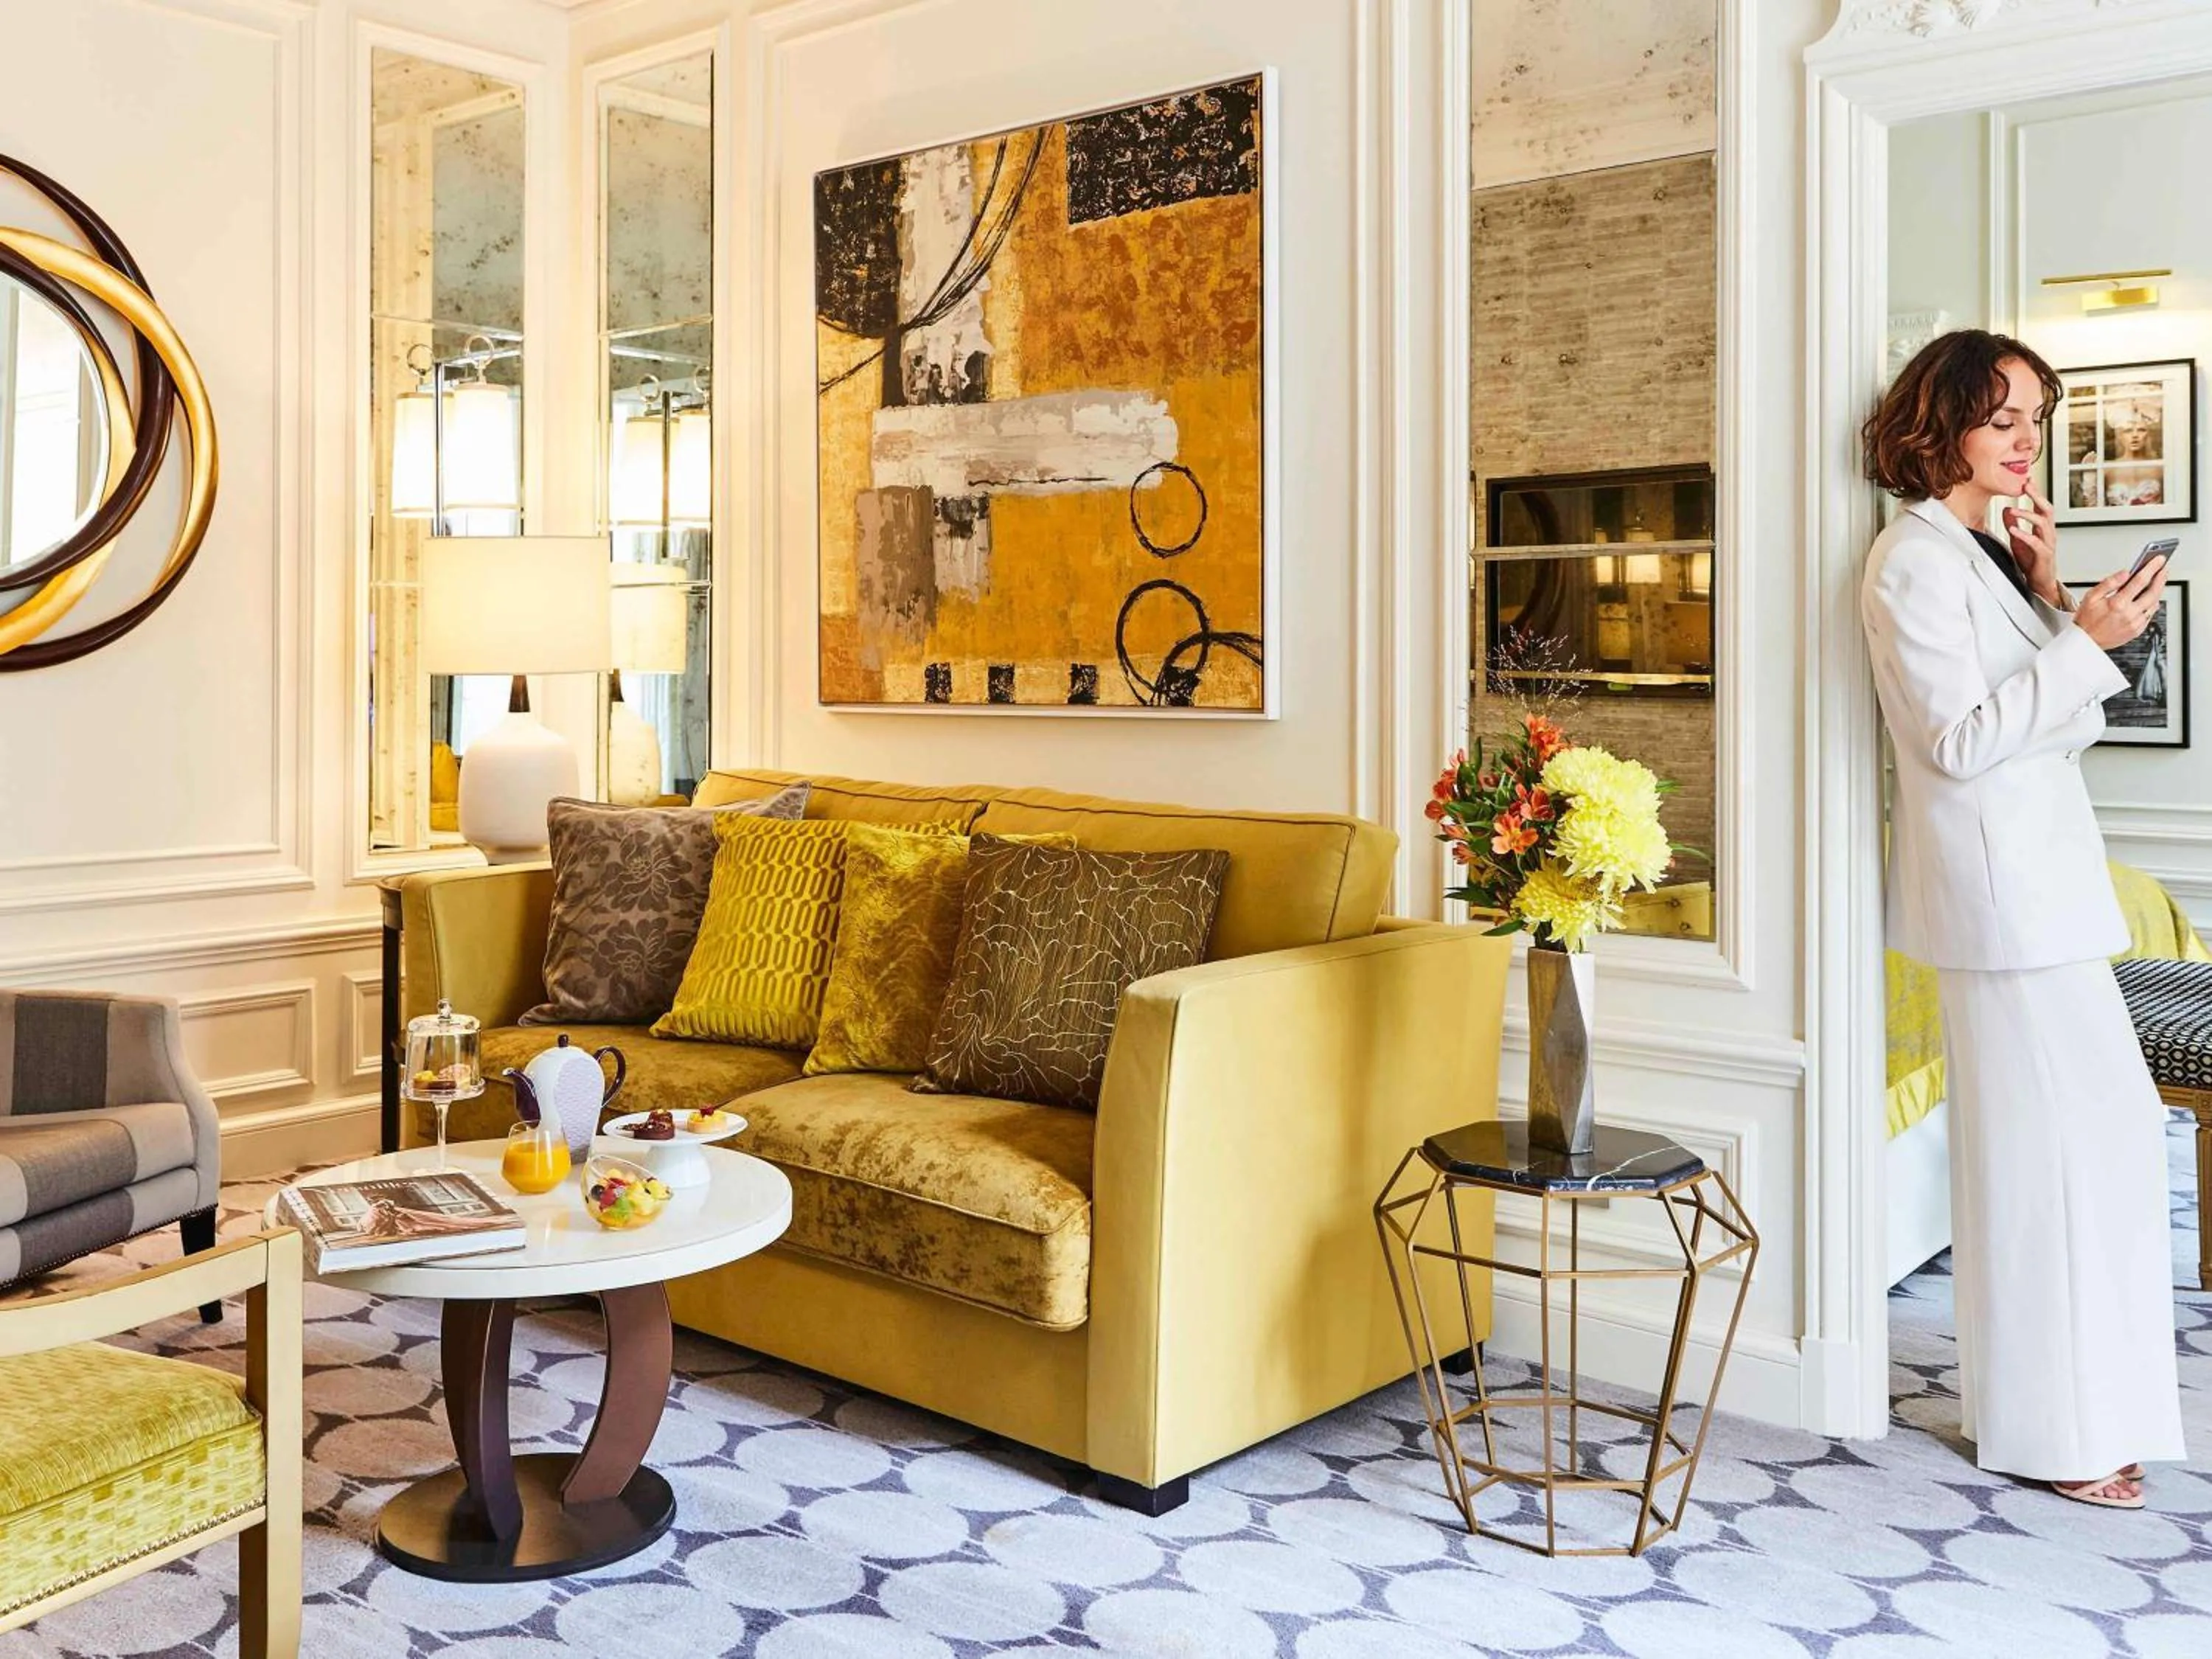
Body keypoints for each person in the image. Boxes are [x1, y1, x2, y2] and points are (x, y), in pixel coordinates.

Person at [1858, 328, 2183, 1510]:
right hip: (2000, 905)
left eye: (2035, 420)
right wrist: (2082, 640)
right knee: (2052, 1166)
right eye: (2004, 419)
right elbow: (1956, 744)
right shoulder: (1910, 560)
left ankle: (2053, 1412)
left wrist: (2052, 603)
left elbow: (2066, 725)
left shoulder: (1983, 556)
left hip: (2044, 897)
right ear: (1939, 425)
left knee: (2082, 1154)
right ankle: (2054, 1430)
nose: (2026, 441)